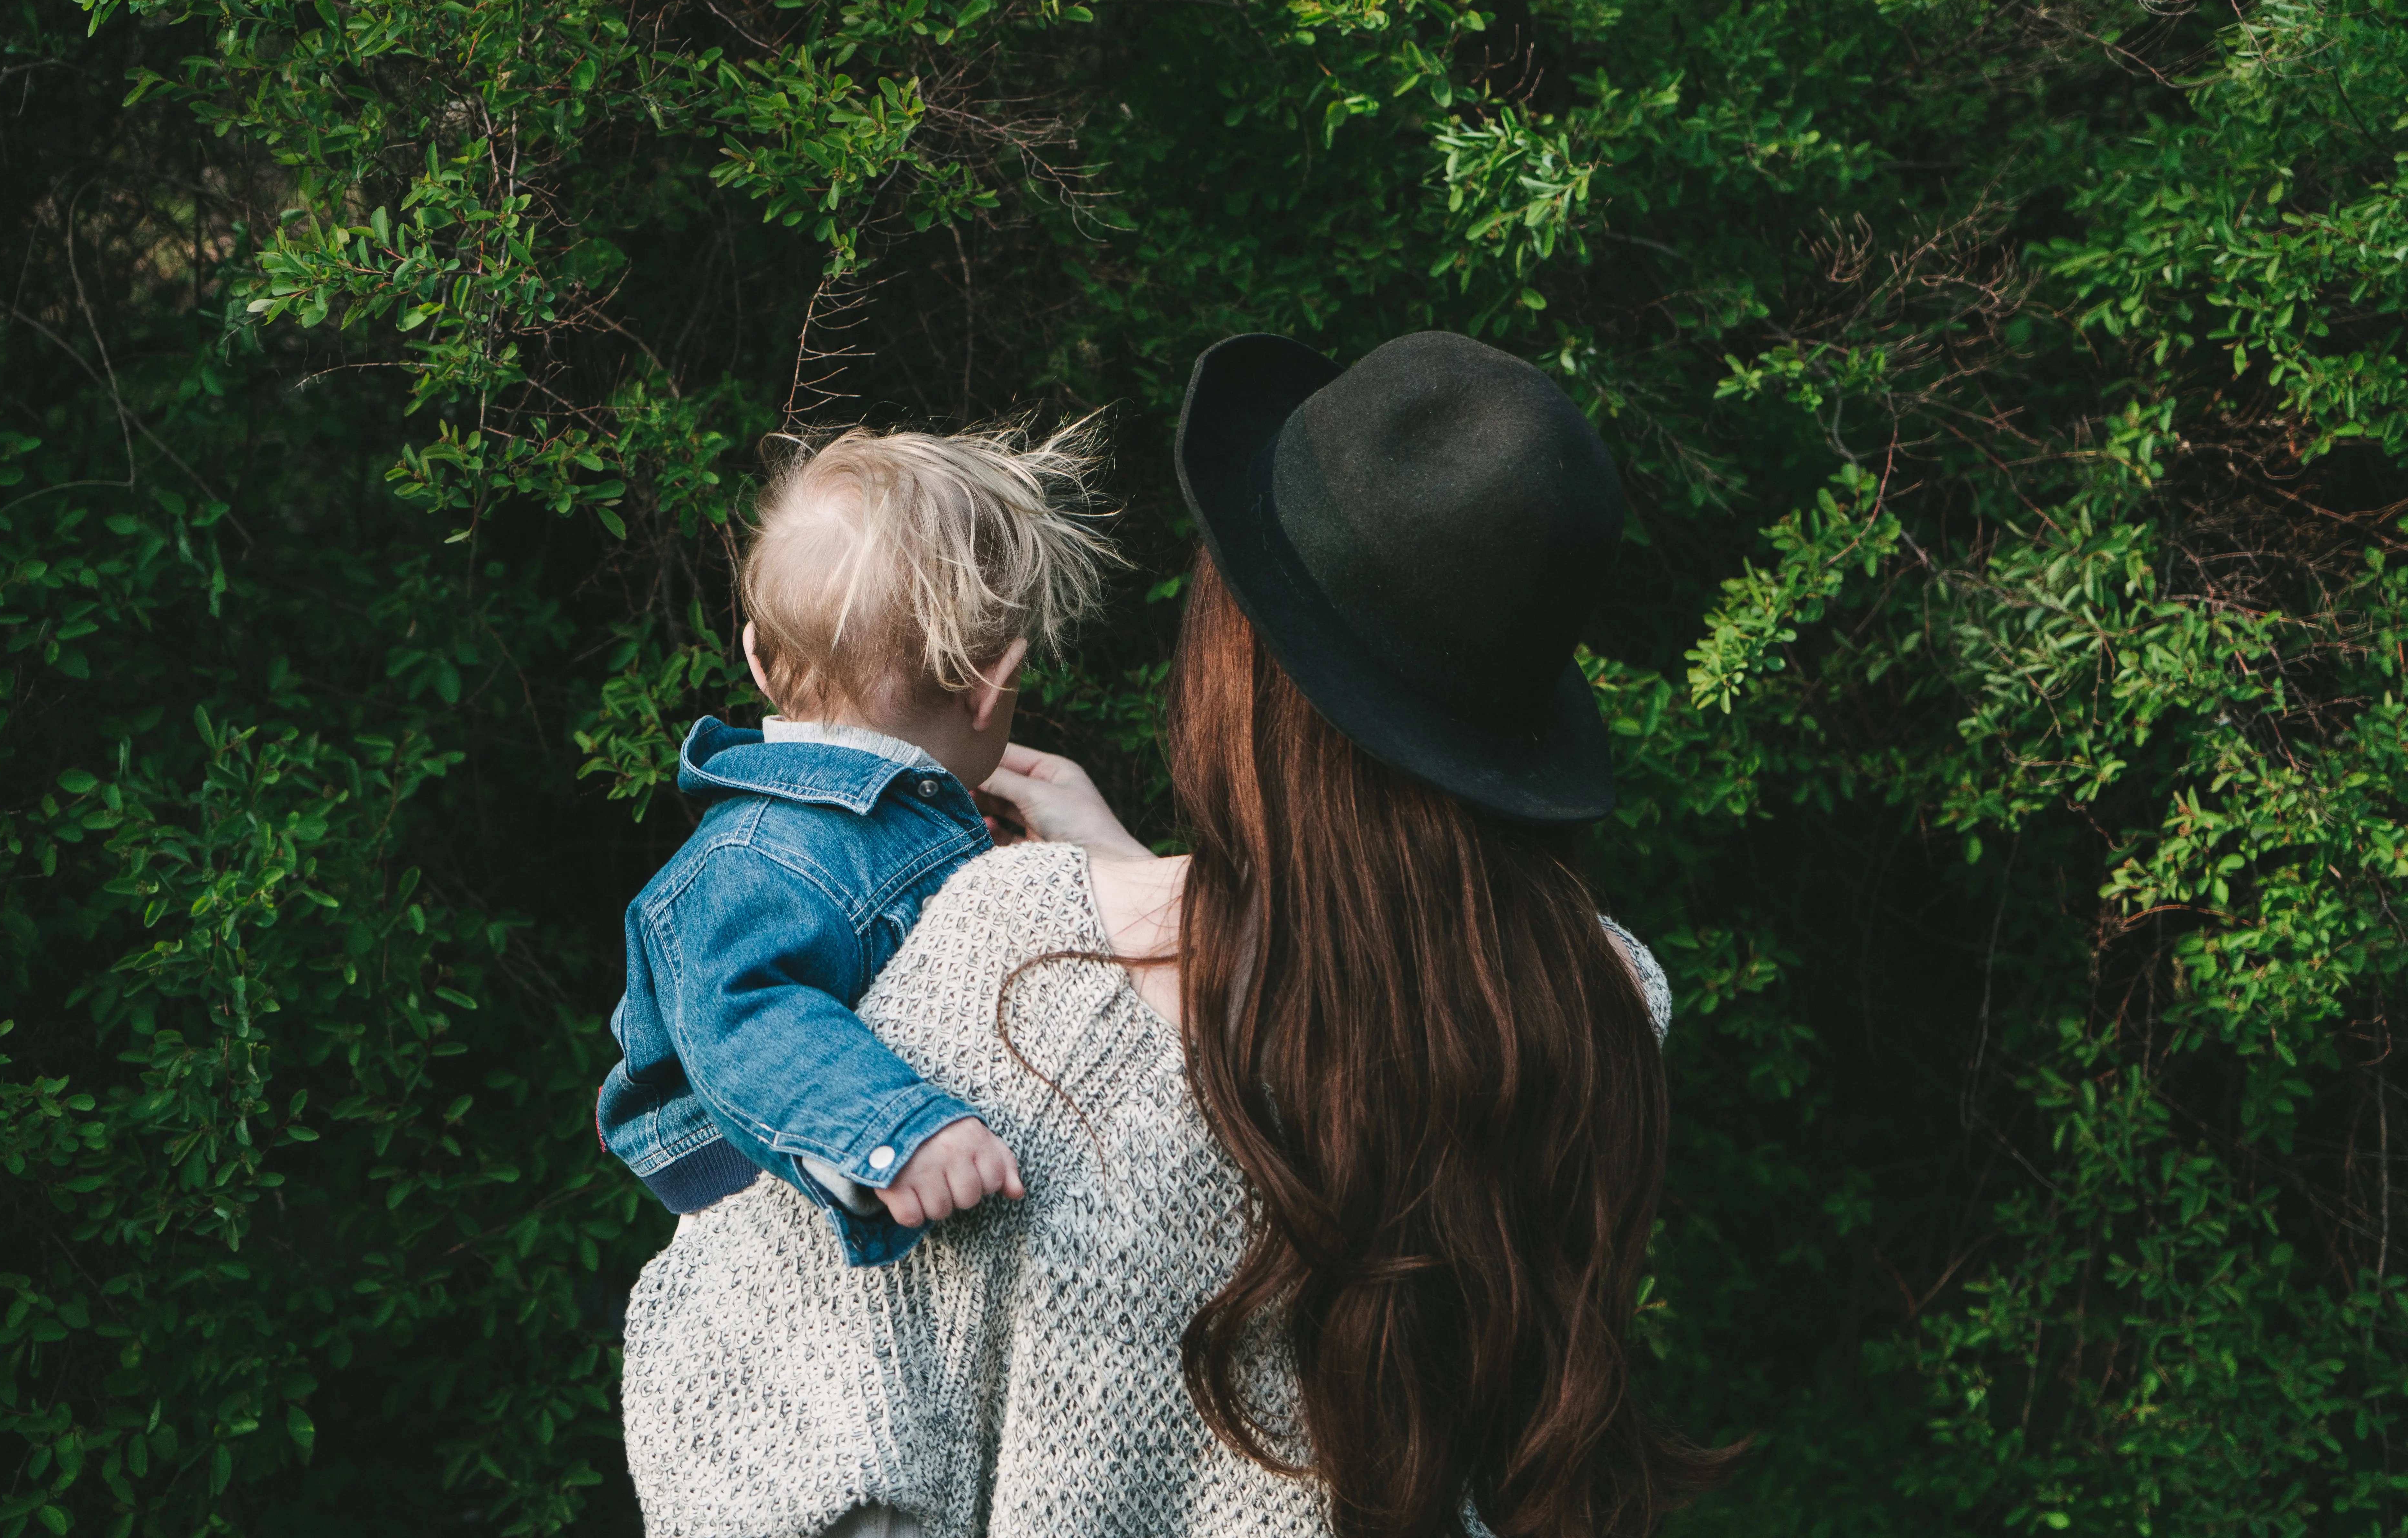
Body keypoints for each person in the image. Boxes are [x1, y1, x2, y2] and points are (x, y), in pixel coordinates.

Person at [621, 331, 1732, 1537]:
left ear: (1238, 654)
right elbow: (1326, 993)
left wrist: (1115, 904)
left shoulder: (1005, 957)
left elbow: (742, 1431)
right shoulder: (1601, 1009)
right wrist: (1143, 884)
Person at [596, 421, 1117, 1265]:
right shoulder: (758, 853)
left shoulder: (889, 830)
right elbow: (737, 1011)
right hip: (772, 1247)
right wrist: (895, 1134)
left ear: (760, 663)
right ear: (994, 687)